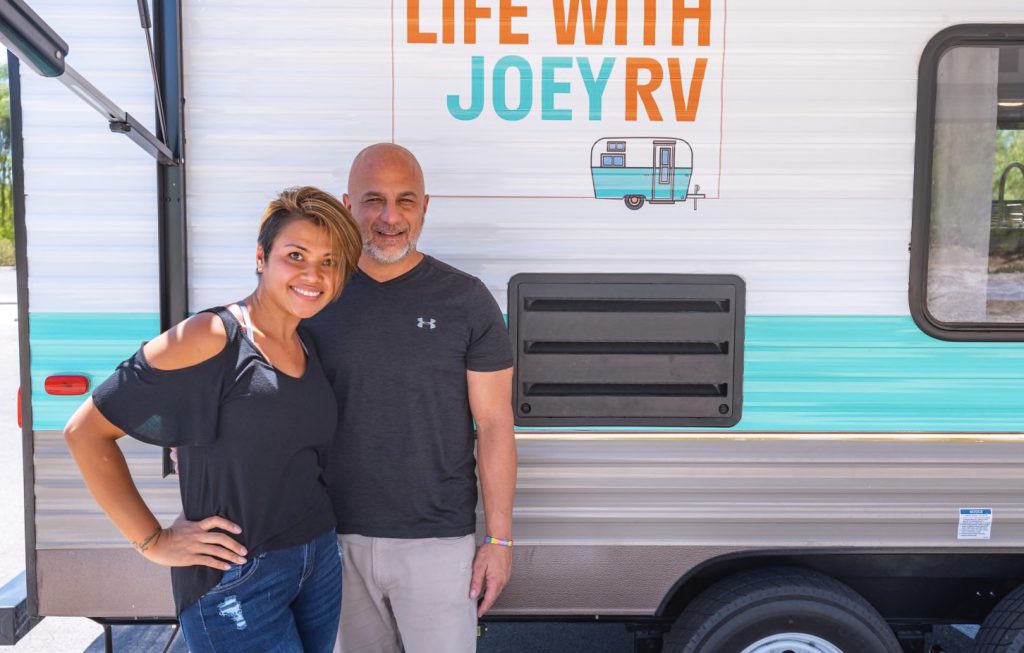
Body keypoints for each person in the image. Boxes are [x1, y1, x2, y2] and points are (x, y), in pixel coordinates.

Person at [63, 186, 363, 653]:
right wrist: (153, 541)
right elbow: (86, 432)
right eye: (296, 254)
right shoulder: (212, 335)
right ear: (261, 257)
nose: (313, 274)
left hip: (317, 559)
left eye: (329, 261)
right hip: (238, 577)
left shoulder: (310, 344)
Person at [305, 143, 517, 653]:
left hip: (439, 543)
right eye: (372, 199)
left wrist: (499, 539)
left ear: (425, 206)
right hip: (332, 539)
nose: (389, 217)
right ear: (346, 205)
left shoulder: (466, 299)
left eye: (405, 200)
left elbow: (494, 425)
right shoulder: (313, 295)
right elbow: (263, 388)